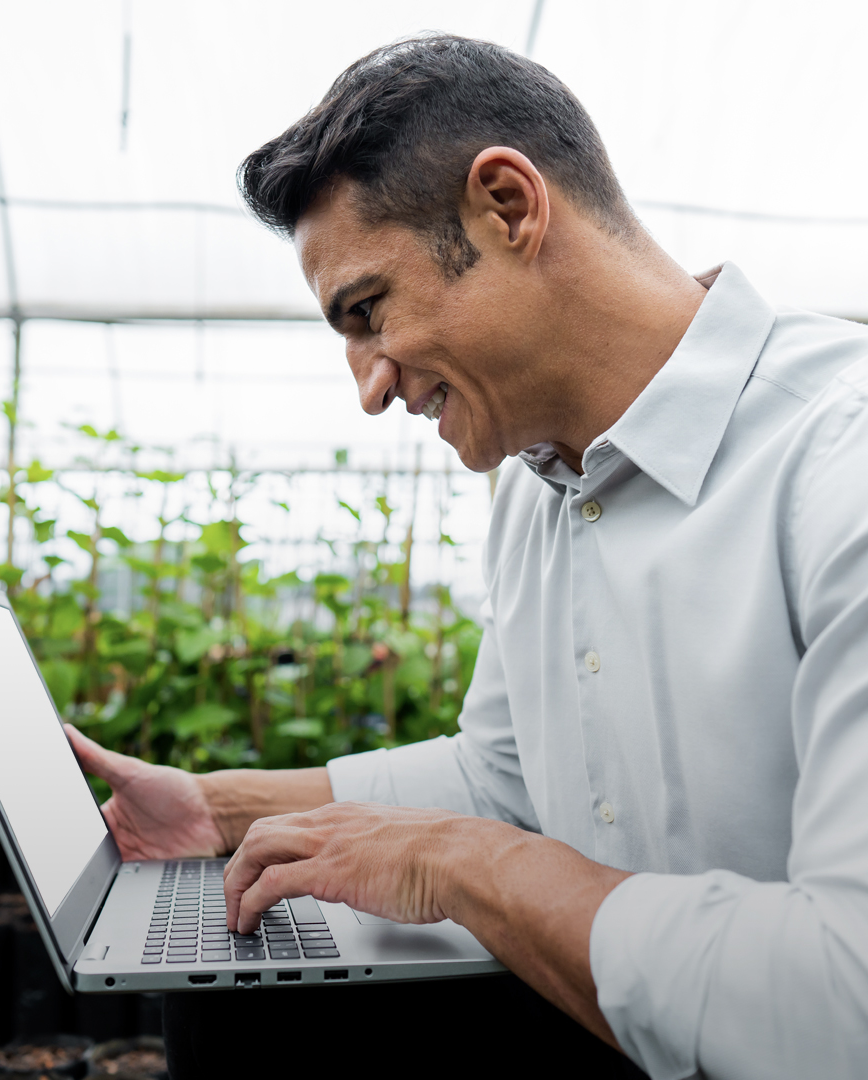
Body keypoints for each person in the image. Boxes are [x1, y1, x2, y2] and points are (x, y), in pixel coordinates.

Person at [67, 35, 868, 1079]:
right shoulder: (540, 490)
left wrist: (464, 867)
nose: (369, 384)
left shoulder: (837, 456)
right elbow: (502, 774)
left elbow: (845, 1002)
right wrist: (220, 808)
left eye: (368, 311)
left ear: (508, 205)